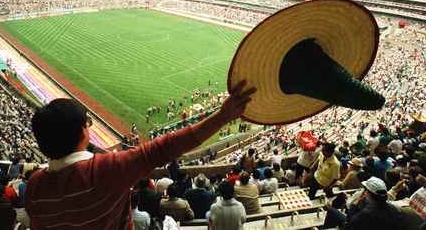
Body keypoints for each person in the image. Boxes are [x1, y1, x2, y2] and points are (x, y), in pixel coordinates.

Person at [25, 80, 255, 229]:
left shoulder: (34, 186)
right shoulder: (106, 169)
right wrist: (222, 116)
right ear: (82, 133)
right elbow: (166, 147)